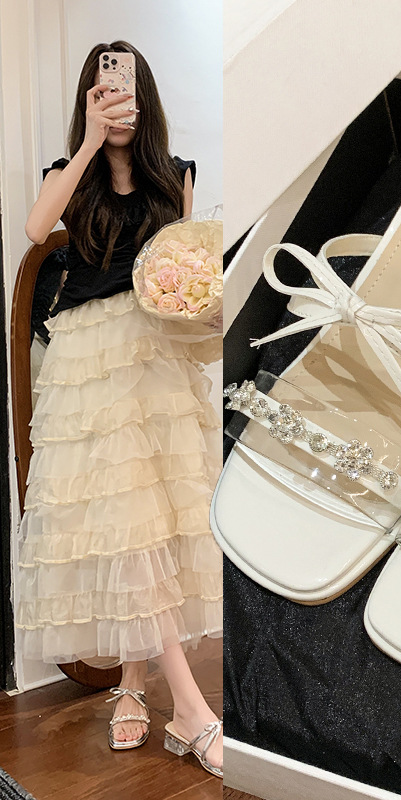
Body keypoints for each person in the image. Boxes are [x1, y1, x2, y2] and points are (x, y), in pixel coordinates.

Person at [16, 41, 222, 776]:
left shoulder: (177, 175)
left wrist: (204, 308)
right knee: (125, 522)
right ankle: (190, 710)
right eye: (104, 87)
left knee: (151, 525)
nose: (118, 96)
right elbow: (36, 231)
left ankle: (134, 688)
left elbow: (184, 266)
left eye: (127, 84)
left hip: (156, 352)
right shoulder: (68, 173)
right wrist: (88, 143)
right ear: (90, 96)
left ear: (146, 93)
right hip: (90, 359)